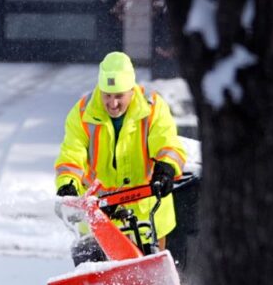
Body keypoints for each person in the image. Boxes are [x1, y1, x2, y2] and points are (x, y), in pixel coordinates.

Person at [54, 51, 186, 258]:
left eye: (119, 96)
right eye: (107, 95)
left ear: (131, 90)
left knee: (151, 276)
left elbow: (167, 142)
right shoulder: (82, 113)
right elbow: (72, 153)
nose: (112, 104)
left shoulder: (153, 108)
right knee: (101, 277)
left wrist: (166, 167)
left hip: (146, 213)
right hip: (99, 217)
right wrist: (67, 182)